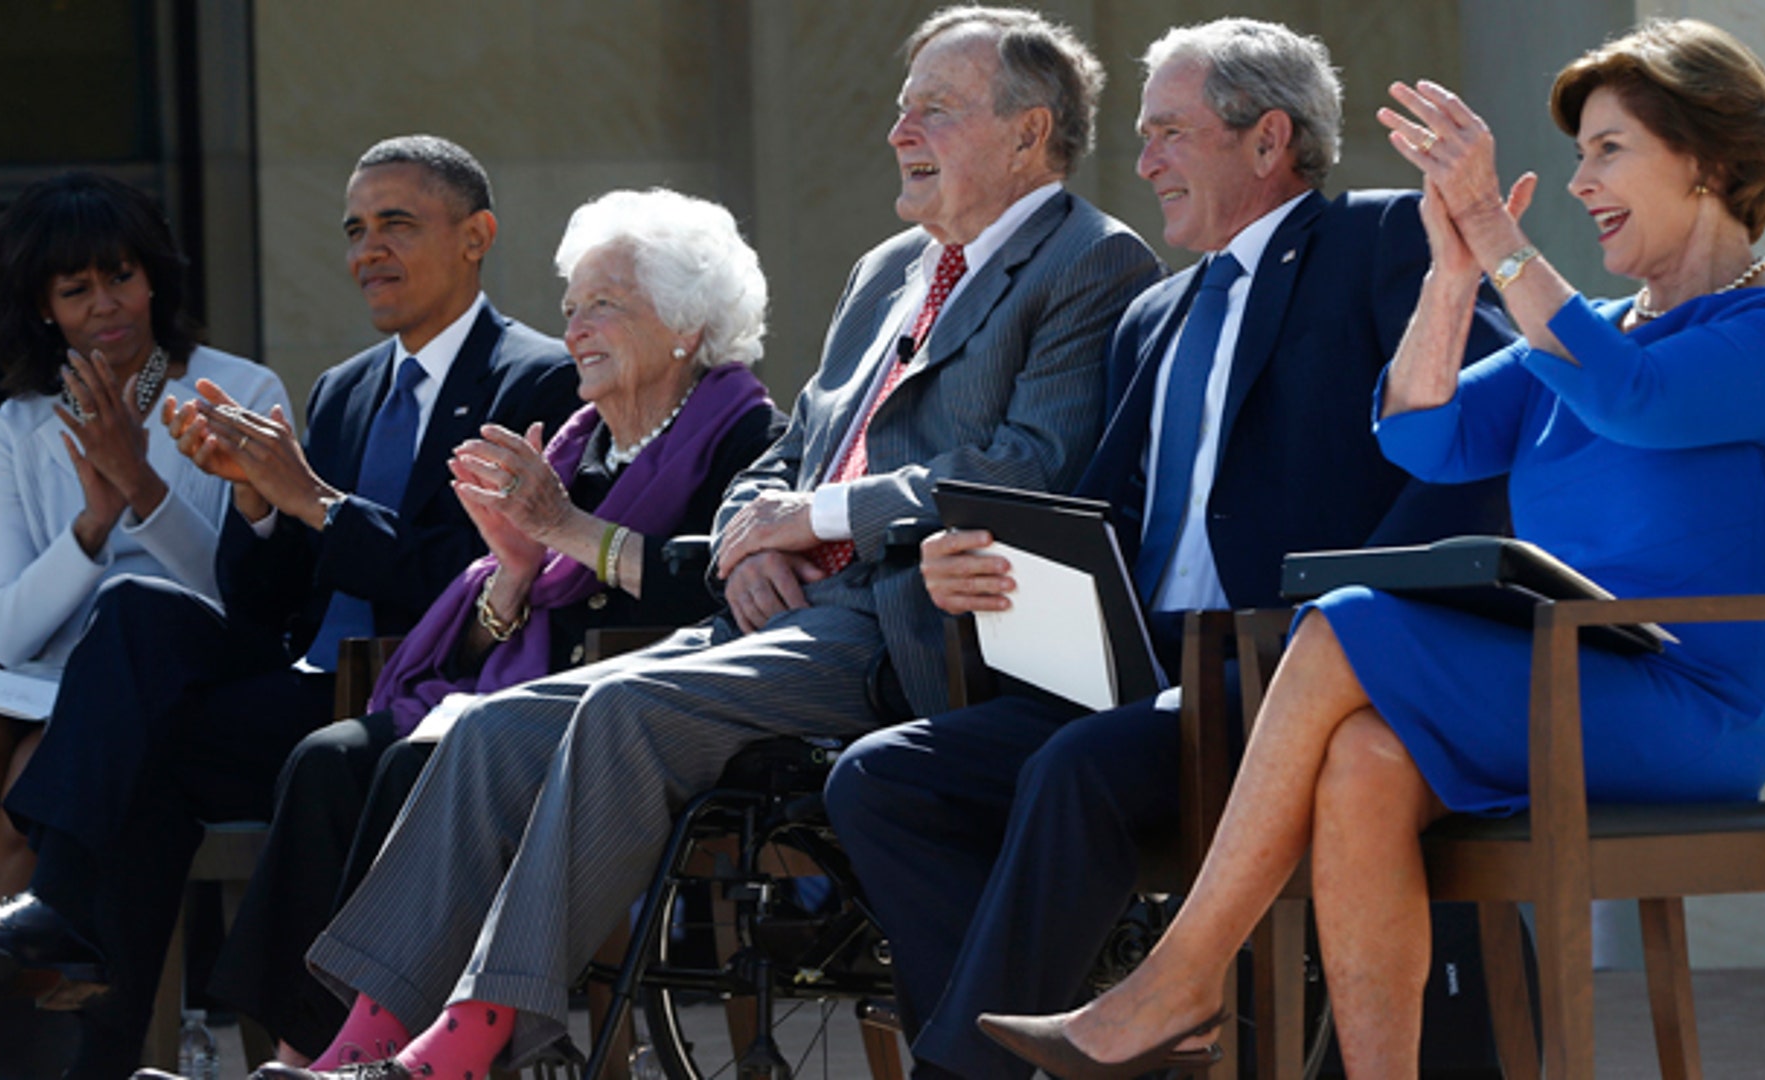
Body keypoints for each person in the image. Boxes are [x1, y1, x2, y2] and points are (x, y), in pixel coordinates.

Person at [237, 8, 1161, 1079]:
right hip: (779, 610)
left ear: (1027, 132)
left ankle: (471, 1042)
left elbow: (1023, 468)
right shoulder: (888, 270)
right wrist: (744, 540)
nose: (900, 132)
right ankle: (359, 1042)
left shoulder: (1090, 263)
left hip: (914, 621)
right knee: (494, 730)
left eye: (935, 111)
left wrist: (809, 524)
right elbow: (794, 450)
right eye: (900, 109)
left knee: (627, 710)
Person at [978, 18, 1765, 1078]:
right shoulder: (1585, 336)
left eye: (1608, 149)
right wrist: (1450, 268)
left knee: (1346, 623)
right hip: (1563, 683)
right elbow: (1421, 435)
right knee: (1362, 760)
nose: (1578, 184)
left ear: (1709, 163)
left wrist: (1495, 226)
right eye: (1579, 155)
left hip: (1689, 700)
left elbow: (1638, 406)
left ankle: (1178, 978)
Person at [823, 17, 1514, 1079]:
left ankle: (972, 1071)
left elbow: (1476, 445)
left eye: (1169, 135)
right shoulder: (1154, 314)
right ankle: (1026, 1047)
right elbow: (1099, 521)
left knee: (1077, 770)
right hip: (1142, 673)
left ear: (1268, 138)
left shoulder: (1380, 241)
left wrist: (1349, 622)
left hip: (1299, 668)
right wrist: (974, 566)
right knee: (884, 782)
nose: (1141, 163)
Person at [0, 135, 578, 1078]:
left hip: (419, 696)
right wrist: (252, 507)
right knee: (138, 624)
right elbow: (262, 605)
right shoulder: (344, 388)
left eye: (397, 225)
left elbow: (471, 577)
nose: (368, 250)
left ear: (476, 236)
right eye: (356, 229)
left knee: (146, 755)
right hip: (303, 678)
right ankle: (78, 991)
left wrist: (303, 497)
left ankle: (97, 960)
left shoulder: (532, 375)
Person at [204, 187, 786, 1067]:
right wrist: (512, 572)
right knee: (328, 761)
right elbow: (487, 632)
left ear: (686, 326)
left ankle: (369, 1048)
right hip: (518, 695)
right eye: (571, 307)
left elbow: (715, 596)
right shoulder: (576, 448)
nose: (577, 328)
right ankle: (296, 1051)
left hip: (641, 729)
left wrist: (562, 534)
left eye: (606, 305)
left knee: (416, 763)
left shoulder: (745, 439)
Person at [0, 171, 289, 1052]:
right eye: (77, 290)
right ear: (44, 308)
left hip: (194, 677)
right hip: (54, 679)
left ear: (156, 277)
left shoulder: (239, 393)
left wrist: (140, 484)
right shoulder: (15, 426)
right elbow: (5, 632)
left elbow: (243, 592)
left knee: (35, 768)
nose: (108, 305)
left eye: (122, 275)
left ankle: (37, 1006)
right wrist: (92, 523)